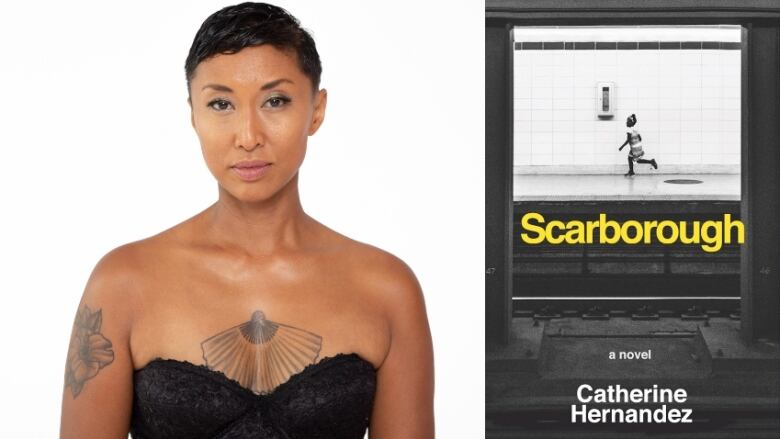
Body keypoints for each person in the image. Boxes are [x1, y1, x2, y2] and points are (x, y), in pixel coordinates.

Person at [59, 3, 435, 438]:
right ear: (193, 114)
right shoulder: (123, 282)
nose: (248, 136)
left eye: (275, 101)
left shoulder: (387, 289)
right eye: (221, 104)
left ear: (316, 109)